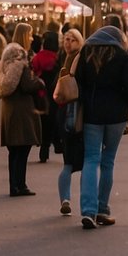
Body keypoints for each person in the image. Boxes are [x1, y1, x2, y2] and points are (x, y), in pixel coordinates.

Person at [73, 25, 128, 229]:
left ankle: (88, 210)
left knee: (91, 158)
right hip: (116, 114)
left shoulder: (86, 53)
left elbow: (78, 82)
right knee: (108, 160)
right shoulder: (122, 55)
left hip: (92, 113)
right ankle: (102, 208)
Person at [0, 25, 44, 196]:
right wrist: (39, 82)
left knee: (15, 151)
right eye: (30, 35)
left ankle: (15, 185)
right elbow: (26, 85)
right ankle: (19, 185)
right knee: (22, 150)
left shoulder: (7, 57)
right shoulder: (21, 59)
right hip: (21, 109)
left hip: (10, 108)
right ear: (24, 36)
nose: (32, 39)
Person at [55, 28, 85, 216]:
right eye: (66, 39)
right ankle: (73, 199)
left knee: (69, 163)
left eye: (72, 40)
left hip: (70, 114)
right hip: (75, 116)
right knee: (83, 164)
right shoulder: (64, 59)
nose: (68, 43)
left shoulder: (75, 60)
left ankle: (66, 198)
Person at [32, 31, 61, 162]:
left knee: (43, 120)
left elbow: (34, 72)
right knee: (53, 119)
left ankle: (43, 148)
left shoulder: (38, 57)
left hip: (41, 93)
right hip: (55, 92)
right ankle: (50, 145)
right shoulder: (57, 57)